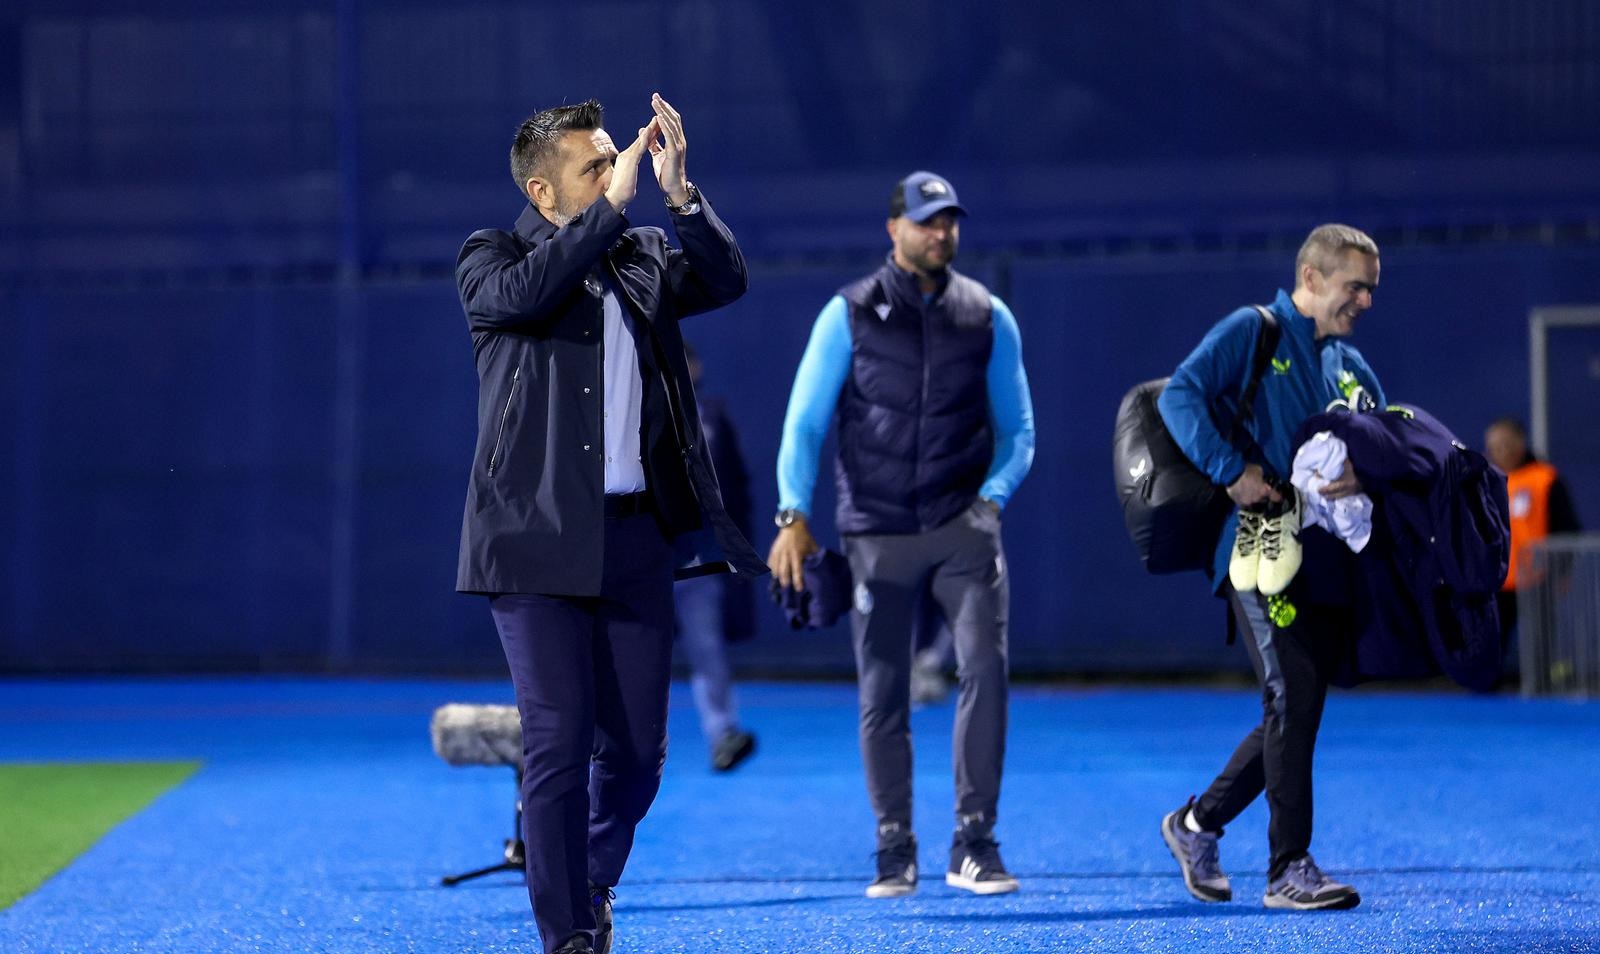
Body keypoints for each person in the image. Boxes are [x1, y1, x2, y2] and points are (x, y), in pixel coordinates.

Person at [453, 95, 764, 954]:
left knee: (635, 758)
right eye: (594, 165)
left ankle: (590, 882)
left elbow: (728, 278)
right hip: (530, 541)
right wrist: (615, 209)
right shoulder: (492, 258)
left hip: (634, 539)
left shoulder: (641, 255)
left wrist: (680, 193)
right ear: (544, 193)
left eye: (612, 158)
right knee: (556, 742)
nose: (614, 169)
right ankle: (568, 938)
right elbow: (531, 292)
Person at [768, 171, 1036, 898]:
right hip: (876, 535)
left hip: (961, 529)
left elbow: (1019, 432)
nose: (940, 233)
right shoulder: (848, 314)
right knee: (881, 692)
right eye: (926, 221)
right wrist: (793, 514)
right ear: (894, 230)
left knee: (984, 669)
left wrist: (991, 500)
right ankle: (895, 847)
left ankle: (973, 842)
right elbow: (804, 424)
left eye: (949, 221)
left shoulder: (987, 315)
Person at [1156, 224, 1385, 911]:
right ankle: (1289, 869)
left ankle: (1194, 825)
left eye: (1372, 288)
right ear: (1311, 278)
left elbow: (1385, 440)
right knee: (1292, 697)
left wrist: (1365, 475)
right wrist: (1232, 472)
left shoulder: (1349, 364)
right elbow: (1180, 395)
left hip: (1323, 558)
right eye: (1356, 286)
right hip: (1257, 549)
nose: (1366, 301)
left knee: (1299, 702)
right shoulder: (1252, 330)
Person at [674, 345, 758, 772]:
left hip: (698, 560)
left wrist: (737, 550)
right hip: (641, 558)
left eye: (687, 358)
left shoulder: (713, 415)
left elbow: (737, 489)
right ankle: (611, 744)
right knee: (628, 655)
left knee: (708, 648)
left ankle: (723, 733)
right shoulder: (624, 407)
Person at [1484, 417, 1583, 643]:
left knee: (1540, 642)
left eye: (1505, 445)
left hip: (1537, 577)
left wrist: (1562, 571)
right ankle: (1488, 680)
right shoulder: (1486, 482)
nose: (1500, 452)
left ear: (1520, 443)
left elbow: (1566, 527)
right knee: (1491, 641)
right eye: (1494, 447)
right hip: (1498, 578)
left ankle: (1541, 679)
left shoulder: (1545, 479)